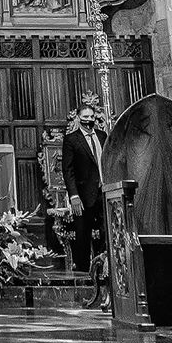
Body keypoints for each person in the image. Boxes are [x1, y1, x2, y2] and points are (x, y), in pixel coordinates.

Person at [62, 104, 108, 272]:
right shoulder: (72, 139)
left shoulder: (103, 136)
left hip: (104, 192)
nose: (89, 120)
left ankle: (104, 266)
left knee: (106, 230)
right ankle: (82, 271)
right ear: (79, 118)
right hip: (83, 194)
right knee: (83, 233)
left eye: (91, 117)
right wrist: (73, 195)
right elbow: (68, 170)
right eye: (85, 117)